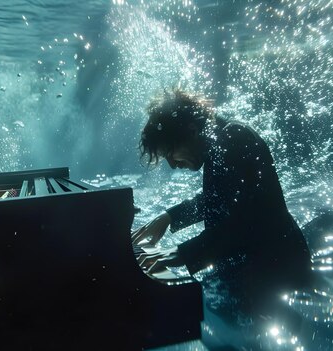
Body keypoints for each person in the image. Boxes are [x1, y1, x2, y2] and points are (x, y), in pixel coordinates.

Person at [132, 89, 311, 313]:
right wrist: (169, 216)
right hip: (264, 268)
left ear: (192, 130)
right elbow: (221, 200)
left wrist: (183, 253)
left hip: (279, 272)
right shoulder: (223, 140)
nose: (172, 164)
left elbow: (243, 223)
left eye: (171, 152)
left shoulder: (233, 140)